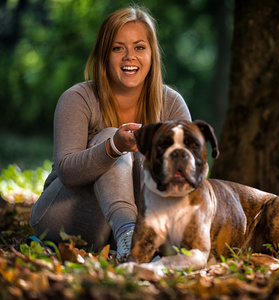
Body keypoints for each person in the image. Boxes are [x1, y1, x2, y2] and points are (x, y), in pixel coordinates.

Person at [30, 6, 191, 260]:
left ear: (152, 55)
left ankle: (133, 239)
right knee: (110, 136)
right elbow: (68, 173)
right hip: (65, 216)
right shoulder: (77, 99)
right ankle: (128, 235)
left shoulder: (171, 103)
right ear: (105, 55)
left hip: (147, 224)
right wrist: (113, 147)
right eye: (118, 48)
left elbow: (187, 176)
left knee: (149, 155)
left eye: (139, 47)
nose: (130, 57)